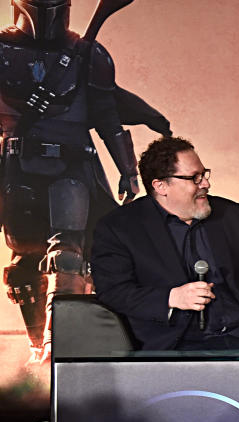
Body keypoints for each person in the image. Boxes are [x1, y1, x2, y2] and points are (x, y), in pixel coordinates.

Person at [0, 0, 171, 362]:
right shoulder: (3, 49)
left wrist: (128, 170)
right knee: (24, 262)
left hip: (71, 167)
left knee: (67, 255)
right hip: (17, 166)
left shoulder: (88, 55)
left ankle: (57, 343)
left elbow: (108, 115)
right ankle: (36, 347)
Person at [90, 135, 239, 383]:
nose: (206, 184)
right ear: (161, 186)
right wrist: (171, 298)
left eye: (205, 174)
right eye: (194, 177)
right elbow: (113, 290)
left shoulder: (230, 214)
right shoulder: (119, 227)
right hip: (180, 340)